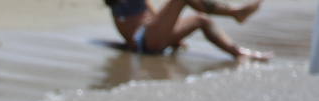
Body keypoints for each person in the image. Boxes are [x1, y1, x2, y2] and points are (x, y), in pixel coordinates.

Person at [104, 0, 270, 60]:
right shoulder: (118, 4)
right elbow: (128, 30)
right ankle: (235, 12)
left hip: (153, 36)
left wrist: (171, 34)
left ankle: (239, 52)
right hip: (144, 40)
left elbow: (154, 16)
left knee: (201, 20)